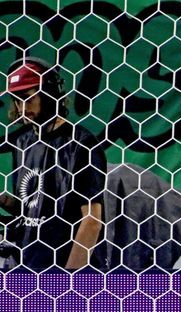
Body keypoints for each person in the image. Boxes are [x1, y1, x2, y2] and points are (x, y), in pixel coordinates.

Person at [0, 56, 104, 270]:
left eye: (28, 98)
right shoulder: (22, 142)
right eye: (17, 100)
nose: (21, 107)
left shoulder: (80, 143)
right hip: (27, 267)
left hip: (66, 270)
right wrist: (3, 200)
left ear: (49, 94)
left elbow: (92, 221)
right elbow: (32, 209)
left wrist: (69, 278)